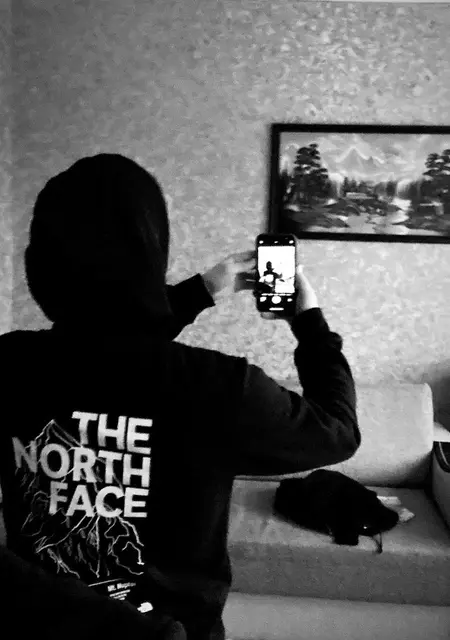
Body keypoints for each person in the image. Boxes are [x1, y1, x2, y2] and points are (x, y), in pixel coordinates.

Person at [0, 153, 360, 640]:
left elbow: (108, 347)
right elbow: (337, 430)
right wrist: (310, 323)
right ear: (155, 260)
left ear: (37, 267)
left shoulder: (10, 362)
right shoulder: (220, 387)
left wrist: (201, 292)